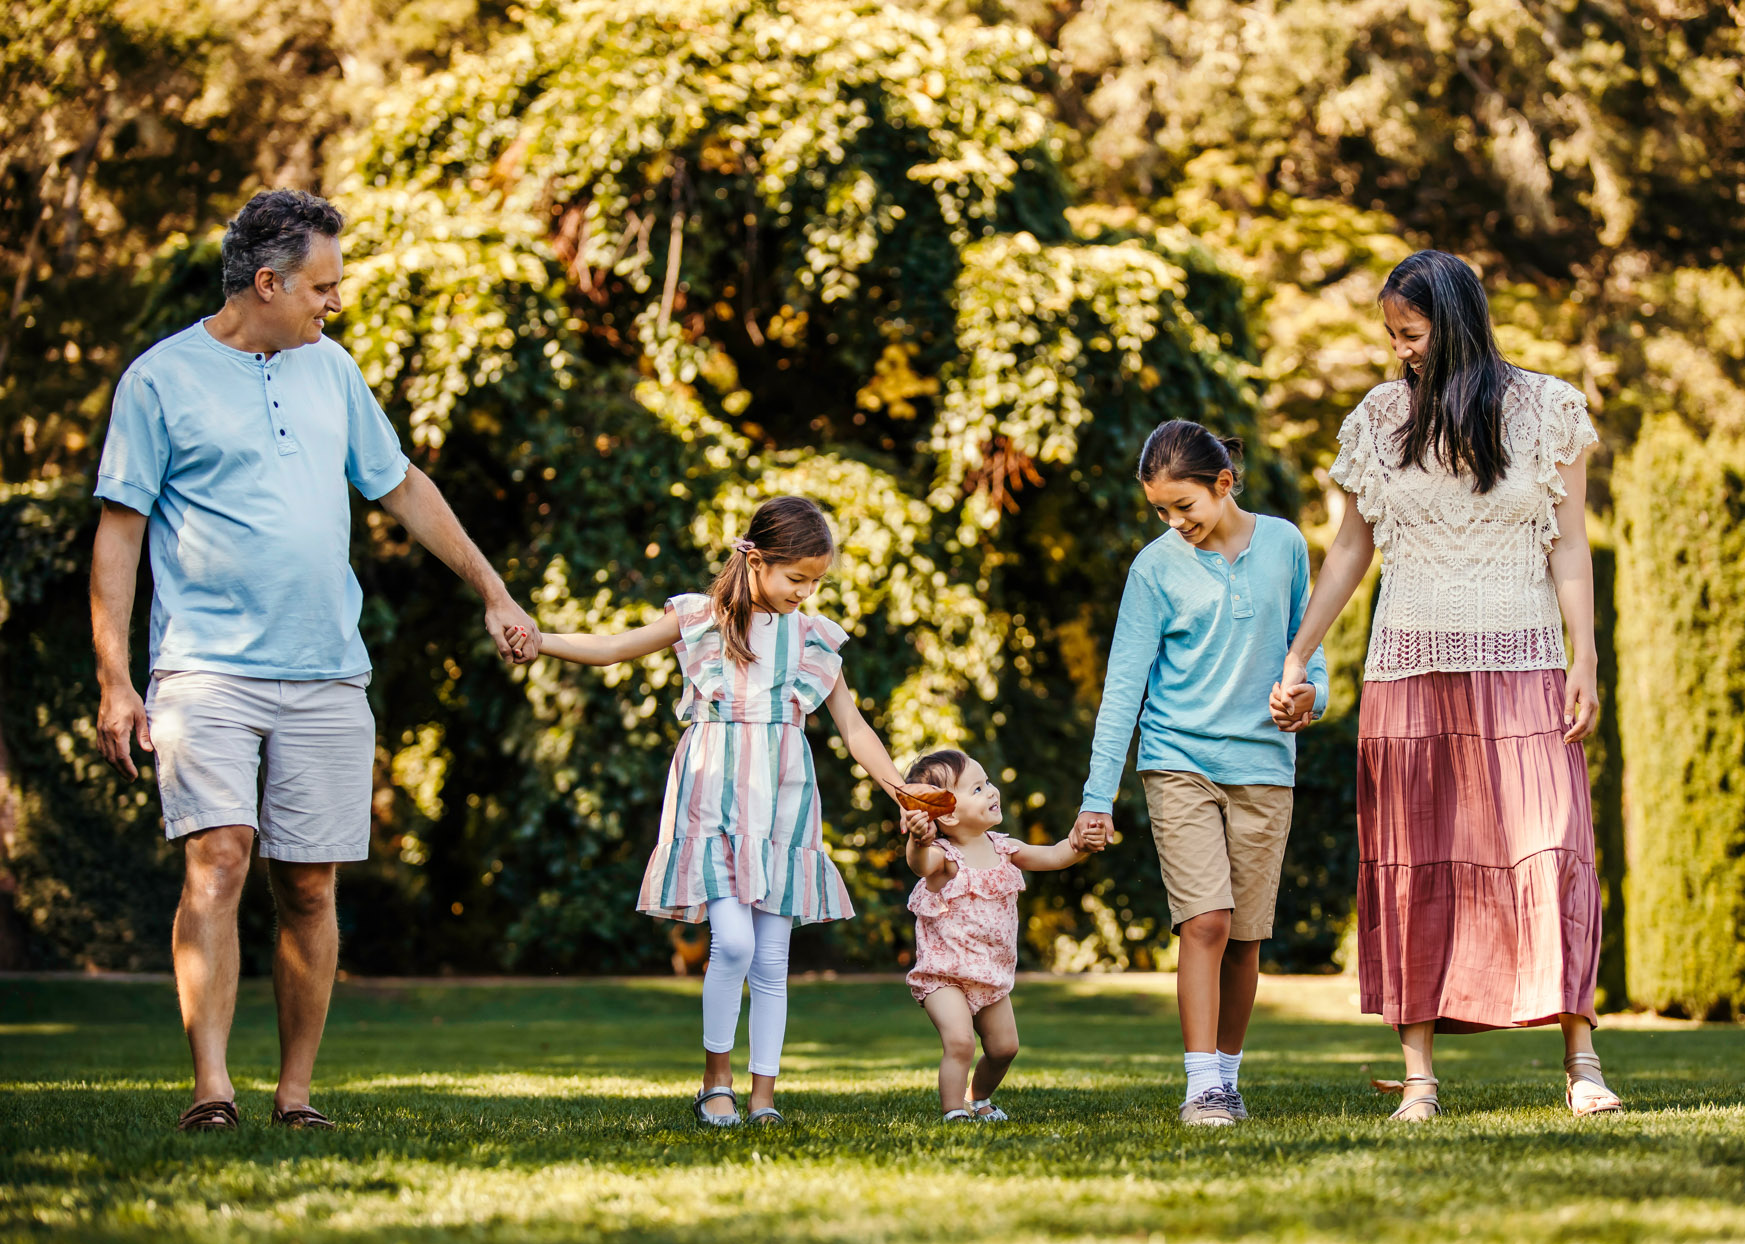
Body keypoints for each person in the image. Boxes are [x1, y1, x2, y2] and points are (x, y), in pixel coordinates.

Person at [89, 189, 539, 1133]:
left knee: (309, 881)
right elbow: (120, 533)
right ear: (267, 282)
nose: (335, 303)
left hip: (327, 669)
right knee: (218, 858)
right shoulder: (159, 380)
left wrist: (492, 589)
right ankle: (213, 1087)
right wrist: (116, 677)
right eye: (323, 287)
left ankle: (295, 1094)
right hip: (204, 668)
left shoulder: (331, 372)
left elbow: (403, 486)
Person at [1270, 249, 1624, 1120]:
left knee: (1552, 852)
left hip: (1526, 663)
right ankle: (1419, 1078)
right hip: (1408, 670)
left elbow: (1568, 545)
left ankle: (1583, 1065)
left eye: (1413, 332)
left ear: (1456, 321)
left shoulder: (1548, 409)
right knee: (1411, 866)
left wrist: (1586, 656)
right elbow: (1352, 547)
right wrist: (1298, 653)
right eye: (1391, 334)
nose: (1401, 350)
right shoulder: (1379, 419)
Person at [508, 496, 919, 1127]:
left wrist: (901, 790)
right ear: (755, 560)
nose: (806, 593)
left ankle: (763, 1098)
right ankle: (715, 1080)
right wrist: (543, 641)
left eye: (816, 581)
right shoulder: (700, 621)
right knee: (731, 944)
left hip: (783, 807)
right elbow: (615, 647)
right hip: (713, 800)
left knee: (773, 960)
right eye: (796, 578)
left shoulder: (812, 638)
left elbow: (854, 727)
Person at [1070, 422, 1329, 1127]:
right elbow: (1124, 686)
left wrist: (1310, 698)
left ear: (1224, 483)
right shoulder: (1154, 569)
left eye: (1183, 506)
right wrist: (1098, 797)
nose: (1173, 523)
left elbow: (1310, 651)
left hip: (1264, 765)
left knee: (1245, 934)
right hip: (1178, 760)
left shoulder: (1284, 545)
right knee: (1206, 920)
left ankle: (1229, 1077)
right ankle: (1200, 1085)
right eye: (1160, 511)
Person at [898, 749, 1093, 1123]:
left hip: (991, 974)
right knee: (960, 1042)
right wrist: (919, 840)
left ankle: (978, 1097)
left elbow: (1053, 856)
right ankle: (954, 1111)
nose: (991, 791)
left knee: (1005, 1047)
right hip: (946, 975)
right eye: (977, 788)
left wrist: (1078, 844)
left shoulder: (1005, 849)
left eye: (987, 782)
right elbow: (919, 866)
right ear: (949, 813)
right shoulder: (943, 857)